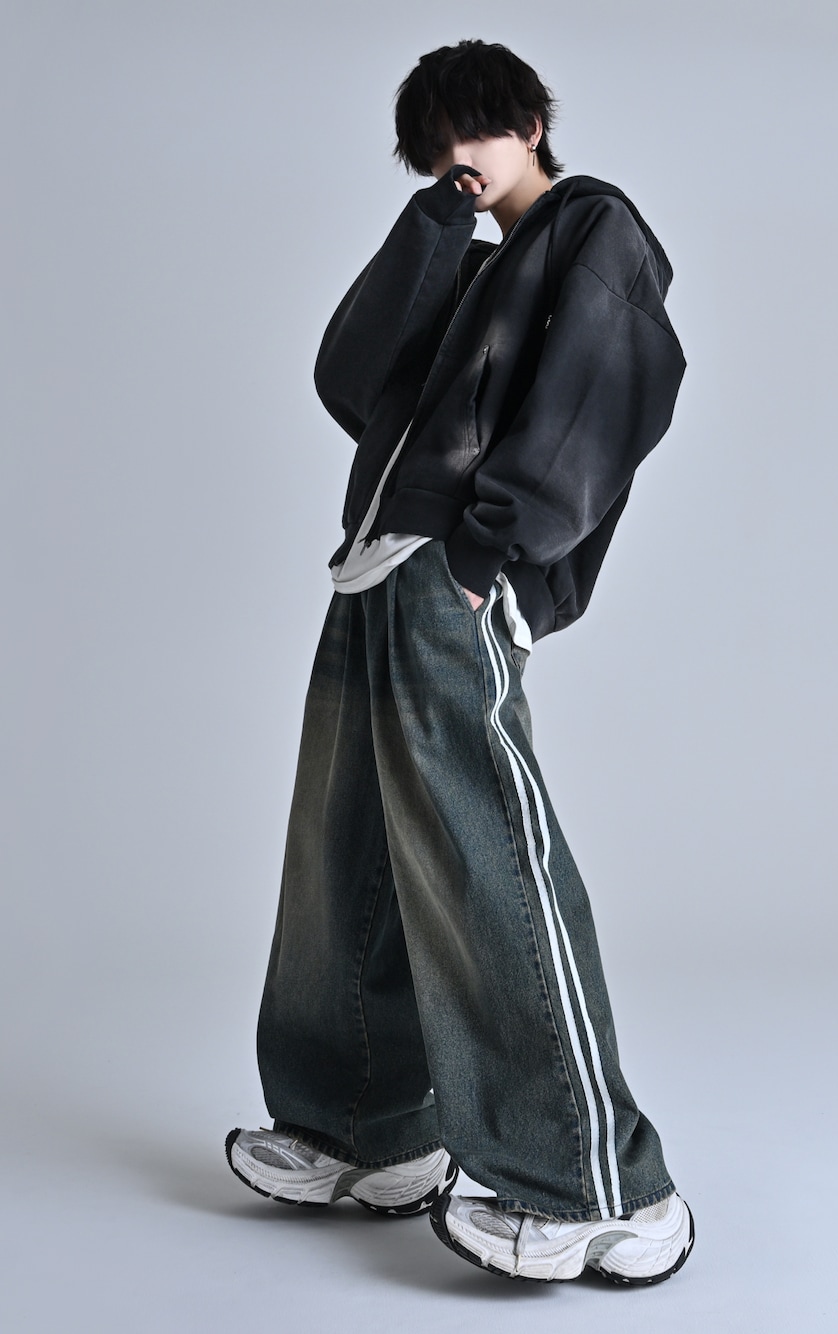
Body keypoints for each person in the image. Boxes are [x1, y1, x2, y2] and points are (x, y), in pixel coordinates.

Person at [226, 38, 694, 1287]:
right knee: (348, 851)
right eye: (433, 147)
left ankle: (600, 1184)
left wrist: (491, 549)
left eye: (471, 134)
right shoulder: (469, 260)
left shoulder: (592, 228)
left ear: (530, 120)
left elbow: (614, 384)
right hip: (372, 568)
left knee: (486, 853)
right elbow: (348, 378)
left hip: (451, 572)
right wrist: (432, 224)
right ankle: (365, 1127)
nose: (457, 161)